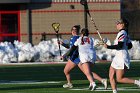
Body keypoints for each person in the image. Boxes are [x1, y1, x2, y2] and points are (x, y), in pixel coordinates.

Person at [103, 19, 140, 93]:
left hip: (121, 58)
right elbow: (129, 45)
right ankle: (114, 91)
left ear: (123, 24)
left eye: (118, 23)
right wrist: (124, 46)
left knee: (119, 79)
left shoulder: (122, 33)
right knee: (111, 75)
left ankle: (138, 82)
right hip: (118, 57)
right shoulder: (124, 33)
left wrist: (108, 47)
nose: (117, 25)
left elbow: (120, 45)